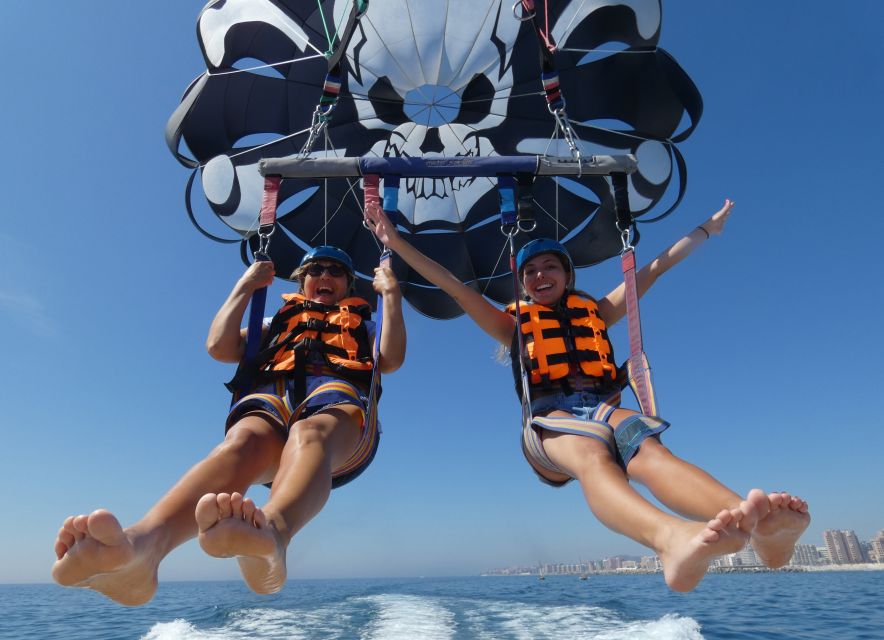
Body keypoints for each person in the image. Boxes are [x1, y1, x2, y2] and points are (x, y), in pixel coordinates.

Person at [365, 199, 809, 592]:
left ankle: (763, 529)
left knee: (651, 452)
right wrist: (393, 240)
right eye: (531, 271)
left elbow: (653, 269)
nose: (541, 275)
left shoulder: (595, 312)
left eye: (550, 267)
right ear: (523, 284)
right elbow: (451, 283)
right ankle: (669, 539)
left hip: (604, 407)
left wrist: (707, 230)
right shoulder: (513, 324)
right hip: (550, 424)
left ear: (568, 275)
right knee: (594, 457)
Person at [52, 246, 406, 605]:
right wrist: (245, 285)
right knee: (241, 444)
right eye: (315, 270)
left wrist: (391, 293)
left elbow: (390, 358)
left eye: (336, 271)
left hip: (337, 413)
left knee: (309, 432)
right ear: (302, 282)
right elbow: (218, 347)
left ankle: (273, 537)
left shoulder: (367, 325)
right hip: (273, 404)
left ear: (348, 285)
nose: (325, 276)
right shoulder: (275, 324)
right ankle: (141, 550)